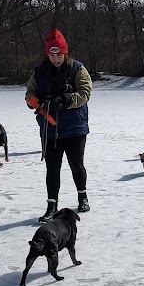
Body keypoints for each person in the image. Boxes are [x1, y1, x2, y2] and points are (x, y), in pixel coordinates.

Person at [25, 29, 93, 222]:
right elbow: (30, 91)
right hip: (50, 128)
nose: (55, 58)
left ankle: (82, 196)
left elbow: (85, 93)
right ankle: (51, 206)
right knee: (52, 168)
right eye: (52, 54)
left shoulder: (78, 69)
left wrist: (65, 100)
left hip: (74, 128)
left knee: (76, 165)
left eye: (59, 54)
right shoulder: (39, 71)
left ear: (65, 53)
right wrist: (32, 100)